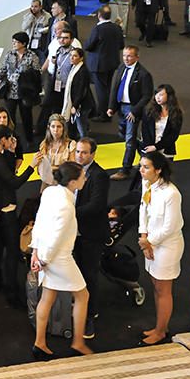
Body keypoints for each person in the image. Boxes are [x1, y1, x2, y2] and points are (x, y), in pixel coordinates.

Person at [29, 161, 94, 359]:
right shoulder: (66, 206)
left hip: (45, 253)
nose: (85, 179)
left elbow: (39, 221)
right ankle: (78, 343)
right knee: (83, 296)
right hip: (58, 257)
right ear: (73, 182)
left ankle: (40, 343)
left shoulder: (50, 192)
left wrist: (35, 252)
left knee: (47, 297)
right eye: (82, 177)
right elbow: (56, 238)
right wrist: (43, 260)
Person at [0, 125, 40, 308]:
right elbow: (15, 182)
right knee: (12, 251)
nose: (13, 142)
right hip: (6, 209)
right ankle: (12, 293)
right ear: (3, 140)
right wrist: (32, 166)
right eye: (10, 139)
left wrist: (11, 152)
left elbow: (6, 172)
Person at [137, 151, 184, 346]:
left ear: (158, 170)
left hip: (167, 246)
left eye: (146, 167)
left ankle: (160, 332)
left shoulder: (171, 193)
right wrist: (143, 236)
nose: (141, 170)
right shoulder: (147, 184)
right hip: (151, 242)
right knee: (156, 286)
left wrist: (148, 242)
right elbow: (143, 209)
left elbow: (170, 227)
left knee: (163, 290)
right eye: (141, 165)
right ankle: (160, 327)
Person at [73, 137, 110, 340]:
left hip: (91, 234)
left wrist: (69, 212)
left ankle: (90, 313)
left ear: (93, 154)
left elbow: (96, 205)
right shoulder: (74, 171)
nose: (79, 155)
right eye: (78, 151)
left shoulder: (100, 176)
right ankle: (81, 306)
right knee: (78, 272)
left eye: (84, 152)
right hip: (75, 233)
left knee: (89, 274)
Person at [108, 46, 154, 181]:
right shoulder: (122, 68)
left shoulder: (144, 74)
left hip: (132, 110)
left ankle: (125, 170)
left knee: (129, 140)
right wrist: (111, 107)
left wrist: (134, 111)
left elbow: (147, 96)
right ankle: (144, 152)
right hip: (121, 107)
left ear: (137, 57)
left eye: (129, 56)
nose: (126, 58)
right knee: (124, 135)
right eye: (124, 55)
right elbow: (115, 88)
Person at [0, 32, 40, 149]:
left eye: (17, 42)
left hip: (25, 91)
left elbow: (37, 73)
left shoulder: (32, 56)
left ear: (24, 43)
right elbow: (3, 69)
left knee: (26, 116)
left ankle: (29, 139)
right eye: (13, 41)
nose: (14, 43)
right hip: (10, 91)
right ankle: (9, 138)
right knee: (9, 116)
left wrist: (25, 77)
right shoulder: (10, 54)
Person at [85, 5, 125, 122]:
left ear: (99, 16)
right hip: (112, 62)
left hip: (98, 64)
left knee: (101, 90)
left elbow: (88, 46)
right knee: (107, 87)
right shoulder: (117, 28)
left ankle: (104, 114)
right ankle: (108, 110)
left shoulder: (97, 29)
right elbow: (121, 45)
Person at [140, 84, 183, 162]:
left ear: (169, 96)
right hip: (148, 149)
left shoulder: (177, 113)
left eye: (161, 95)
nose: (157, 97)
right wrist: (150, 147)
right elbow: (145, 130)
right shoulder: (149, 111)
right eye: (156, 94)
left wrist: (156, 147)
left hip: (166, 151)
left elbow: (173, 135)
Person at [35, 114, 76, 190]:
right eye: (53, 126)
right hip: (47, 184)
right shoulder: (45, 144)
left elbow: (72, 169)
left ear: (63, 128)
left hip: (64, 184)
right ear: (49, 127)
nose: (55, 130)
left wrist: (50, 168)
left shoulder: (70, 145)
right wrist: (58, 168)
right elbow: (39, 170)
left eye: (59, 127)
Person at [62, 48, 96, 139]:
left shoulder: (83, 71)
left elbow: (82, 90)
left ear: (81, 58)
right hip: (77, 103)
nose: (71, 58)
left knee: (82, 128)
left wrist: (75, 106)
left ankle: (85, 144)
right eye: (71, 55)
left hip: (82, 105)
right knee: (76, 126)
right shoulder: (74, 68)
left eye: (75, 56)